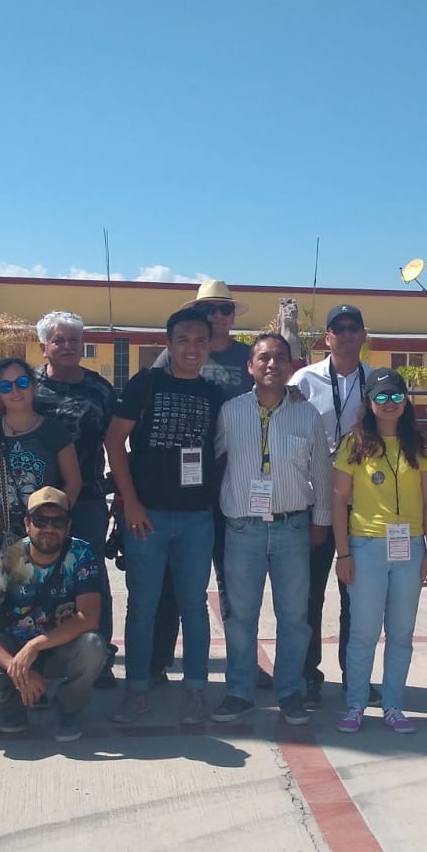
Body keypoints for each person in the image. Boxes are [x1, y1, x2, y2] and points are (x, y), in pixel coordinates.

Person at [107, 307, 225, 726]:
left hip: (196, 518)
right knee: (143, 606)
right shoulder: (146, 383)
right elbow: (114, 442)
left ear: (209, 346)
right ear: (169, 344)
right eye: (183, 340)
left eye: (200, 341)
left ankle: (196, 688)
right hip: (147, 516)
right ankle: (136, 689)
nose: (192, 349)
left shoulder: (214, 394)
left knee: (194, 605)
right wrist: (130, 501)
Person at [148, 280, 266, 688]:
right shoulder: (174, 353)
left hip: (237, 480)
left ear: (233, 317)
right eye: (209, 309)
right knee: (172, 583)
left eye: (224, 309)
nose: (217, 316)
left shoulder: (248, 355)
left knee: (235, 583)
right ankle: (157, 661)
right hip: (183, 485)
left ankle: (243, 664)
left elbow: (272, 391)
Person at [210, 333, 333, 725]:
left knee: (294, 617)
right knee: (240, 617)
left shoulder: (306, 414)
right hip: (242, 529)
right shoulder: (230, 412)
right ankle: (239, 691)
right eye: (263, 357)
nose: (272, 364)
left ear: (291, 366)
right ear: (250, 366)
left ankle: (291, 692)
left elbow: (321, 471)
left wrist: (321, 520)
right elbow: (212, 458)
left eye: (280, 357)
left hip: (292, 528)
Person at [332, 368, 427, 734]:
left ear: (405, 400)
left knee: (401, 632)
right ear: (369, 402)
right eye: (381, 396)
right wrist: (343, 554)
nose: (389, 403)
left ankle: (393, 705)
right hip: (366, 547)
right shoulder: (354, 443)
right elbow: (339, 501)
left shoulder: (419, 444)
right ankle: (355, 704)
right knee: (364, 632)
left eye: (396, 395)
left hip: (410, 548)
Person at [0, 487, 108, 742]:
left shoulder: (81, 554)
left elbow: (89, 617)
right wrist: (17, 667)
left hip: (59, 646)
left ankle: (68, 708)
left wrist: (35, 645)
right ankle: (12, 711)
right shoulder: (3, 562)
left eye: (57, 522)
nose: (49, 528)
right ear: (27, 524)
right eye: (40, 521)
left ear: (68, 525)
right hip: (13, 648)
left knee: (93, 646)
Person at [288, 303, 374, 707]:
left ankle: (355, 679)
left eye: (353, 327)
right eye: (338, 328)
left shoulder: (375, 381)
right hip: (315, 503)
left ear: (363, 335)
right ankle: (307, 675)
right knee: (309, 597)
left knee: (357, 601)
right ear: (327, 337)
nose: (346, 334)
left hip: (362, 506)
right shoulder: (303, 380)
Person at [32, 311, 120, 687]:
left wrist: (122, 493)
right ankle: (38, 655)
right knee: (36, 578)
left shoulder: (100, 389)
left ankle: (98, 658)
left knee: (91, 577)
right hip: (34, 504)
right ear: (43, 347)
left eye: (74, 340)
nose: (67, 346)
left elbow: (116, 443)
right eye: (59, 340)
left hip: (87, 501)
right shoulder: (27, 386)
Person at [0, 359, 81, 566]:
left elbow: (73, 482)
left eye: (22, 383)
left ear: (33, 386)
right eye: (6, 386)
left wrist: (54, 522)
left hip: (43, 540)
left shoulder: (54, 431)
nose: (15, 391)